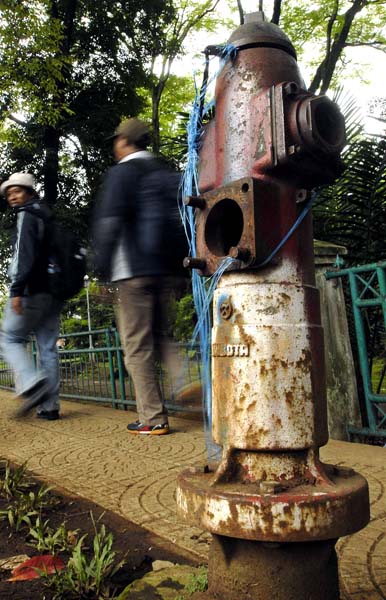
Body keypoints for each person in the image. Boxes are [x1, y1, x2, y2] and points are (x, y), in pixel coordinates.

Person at [93, 118, 187, 435]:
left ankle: (153, 418)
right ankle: (185, 380)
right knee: (162, 335)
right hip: (168, 269)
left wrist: (103, 273)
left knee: (137, 346)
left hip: (133, 271)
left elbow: (109, 223)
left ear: (124, 141)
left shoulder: (123, 173)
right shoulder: (167, 172)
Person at [0, 172, 62, 420]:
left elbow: (23, 256)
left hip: (30, 290)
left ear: (29, 192)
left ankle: (31, 383)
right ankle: (50, 407)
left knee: (9, 338)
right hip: (53, 292)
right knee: (47, 348)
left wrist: (16, 290)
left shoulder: (27, 214)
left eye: (17, 191)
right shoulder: (47, 216)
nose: (13, 196)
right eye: (9, 193)